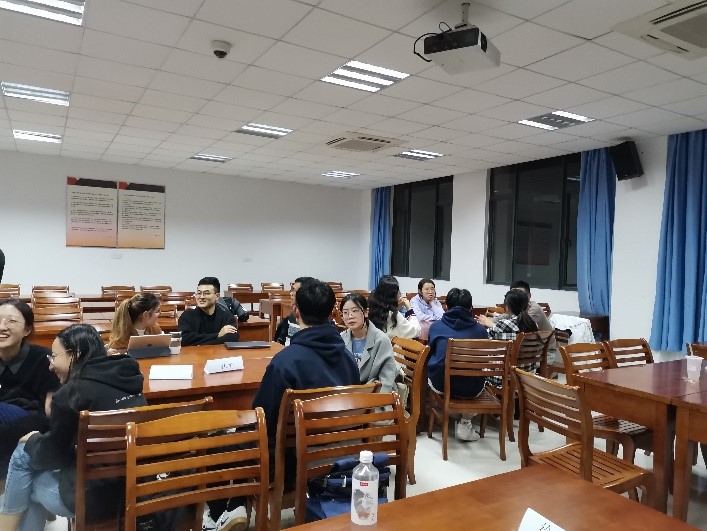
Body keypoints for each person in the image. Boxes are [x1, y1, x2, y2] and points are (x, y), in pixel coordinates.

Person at [198, 280, 360, 531]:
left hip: (290, 460)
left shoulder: (285, 361)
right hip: (339, 450)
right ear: (333, 312)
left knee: (217, 442)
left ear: (296, 311)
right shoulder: (349, 358)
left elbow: (261, 418)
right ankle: (236, 503)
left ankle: (221, 513)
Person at [0, 324, 146, 531]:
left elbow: (54, 456)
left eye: (54, 356)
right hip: (135, 488)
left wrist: (33, 440)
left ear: (74, 355)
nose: (50, 366)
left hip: (92, 499)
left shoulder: (72, 394)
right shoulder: (128, 379)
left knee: (23, 461)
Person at [0, 300, 60, 479]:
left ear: (27, 329)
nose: (2, 327)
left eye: (11, 321)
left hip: (31, 417)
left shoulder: (44, 359)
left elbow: (50, 412)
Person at [427, 289, 489, 442]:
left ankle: (435, 413)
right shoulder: (481, 332)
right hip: (471, 389)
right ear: (470, 309)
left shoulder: (436, 327)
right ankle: (466, 421)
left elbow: (431, 353)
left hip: (441, 385)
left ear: (446, 307)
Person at [477, 289, 539, 388]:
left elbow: (484, 341)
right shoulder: (532, 324)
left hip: (506, 378)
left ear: (507, 306)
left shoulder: (505, 324)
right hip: (527, 376)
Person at [339, 293, 397, 393]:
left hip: (375, 393)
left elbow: (387, 379)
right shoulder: (341, 339)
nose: (350, 316)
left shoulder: (381, 340)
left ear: (366, 312)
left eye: (355, 311)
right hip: (348, 393)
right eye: (345, 312)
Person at [507, 280, 558, 364]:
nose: (517, 298)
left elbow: (512, 326)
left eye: (521, 294)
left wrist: (493, 325)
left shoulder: (533, 309)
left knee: (504, 362)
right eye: (514, 294)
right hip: (528, 351)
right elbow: (504, 317)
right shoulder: (518, 310)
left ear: (529, 296)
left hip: (544, 354)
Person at [178, 277, 239, 346]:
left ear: (217, 296)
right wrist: (217, 335)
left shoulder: (227, 317)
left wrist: (199, 344)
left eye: (206, 293)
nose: (201, 297)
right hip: (194, 353)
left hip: (218, 353)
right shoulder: (187, 315)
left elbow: (232, 339)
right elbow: (183, 339)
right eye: (199, 293)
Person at [274, 276, 314, 346]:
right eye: (292, 290)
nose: (291, 293)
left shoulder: (314, 318)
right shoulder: (291, 317)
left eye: (294, 290)